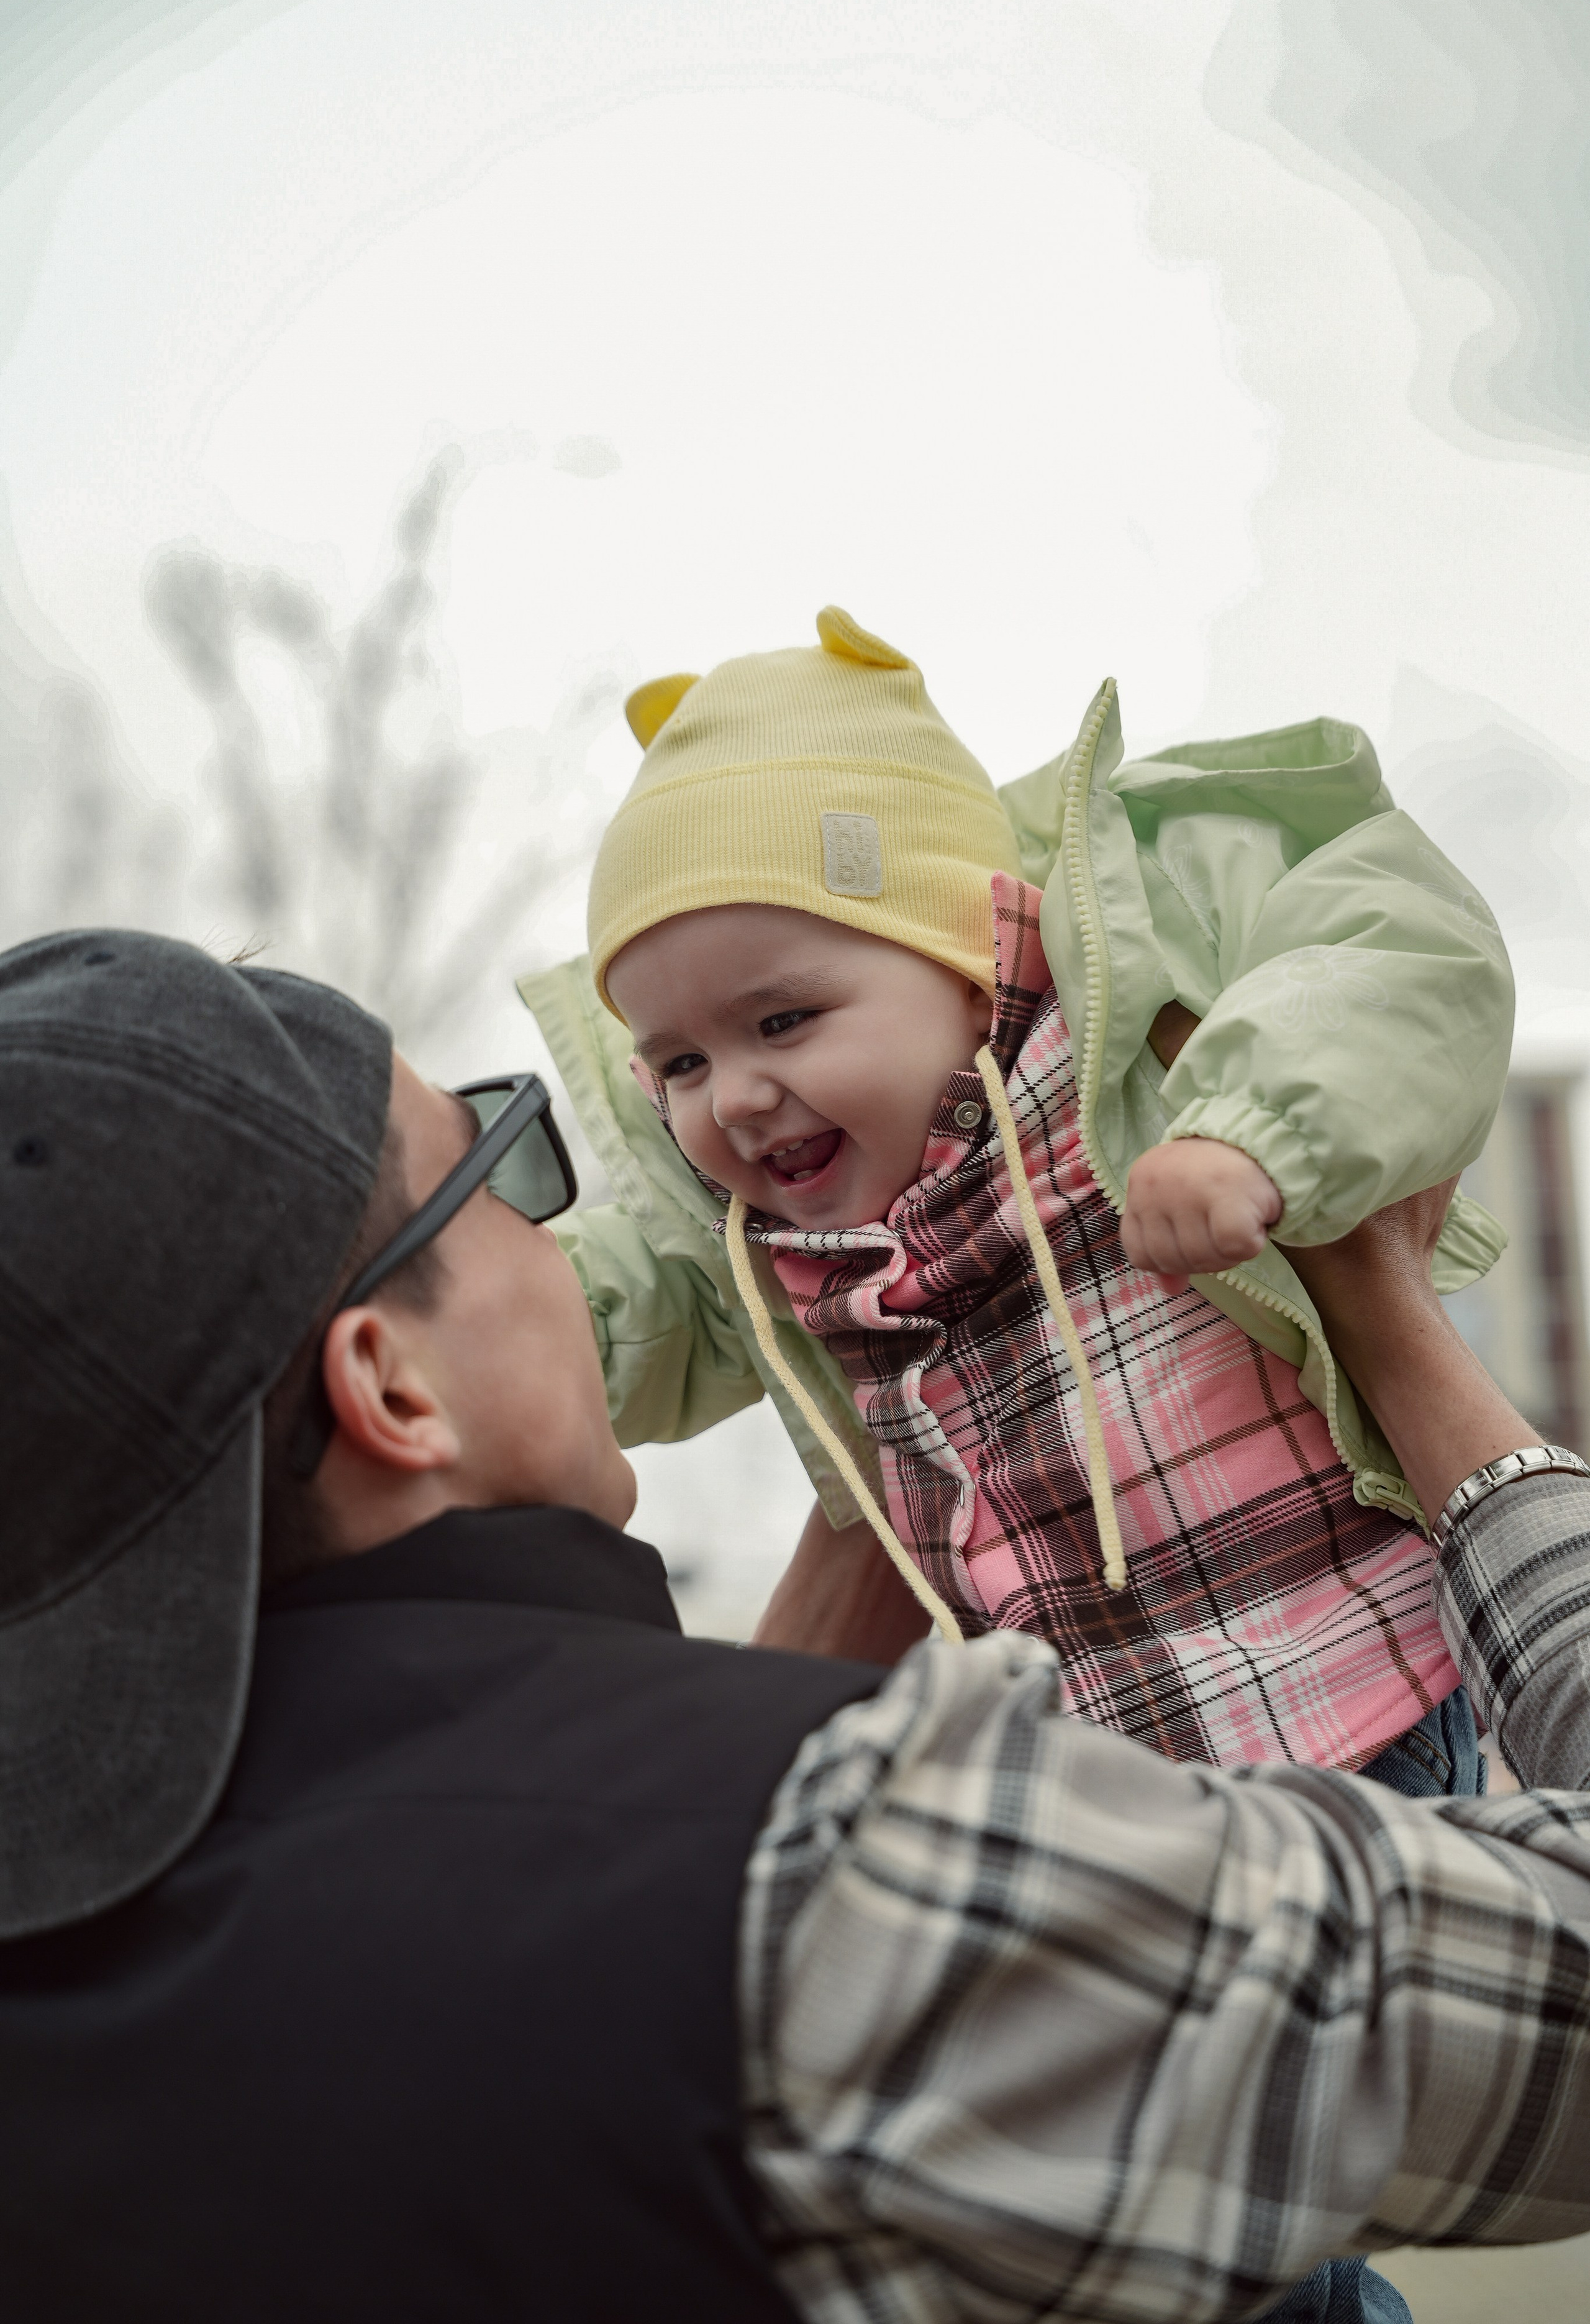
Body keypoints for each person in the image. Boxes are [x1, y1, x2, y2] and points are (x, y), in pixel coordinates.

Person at [1, 925, 1588, 2324]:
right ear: (390, 1387)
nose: (563, 1243)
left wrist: (879, 1469)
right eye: (501, 1173)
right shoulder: (878, 1880)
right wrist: (1398, 1341)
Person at [522, 609, 1512, 1800]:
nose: (732, 1096)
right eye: (677, 1064)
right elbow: (644, 1302)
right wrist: (477, 1317)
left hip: (1341, 1705)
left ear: (969, 958)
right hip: (1086, 1782)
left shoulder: (1114, 1071)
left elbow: (1384, 955)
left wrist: (1250, 1136)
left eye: (782, 1021)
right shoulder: (785, 1249)